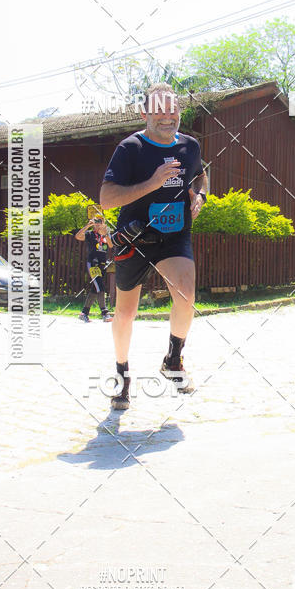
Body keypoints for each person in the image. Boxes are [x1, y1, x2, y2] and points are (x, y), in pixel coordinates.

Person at [99, 82, 208, 410]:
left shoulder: (190, 146)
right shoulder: (130, 148)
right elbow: (106, 200)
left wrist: (200, 194)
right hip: (135, 239)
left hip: (174, 237)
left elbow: (200, 175)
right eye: (159, 109)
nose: (168, 116)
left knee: (186, 296)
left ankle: (173, 361)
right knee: (125, 313)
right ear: (145, 113)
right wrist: (154, 182)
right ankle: (122, 375)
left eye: (173, 108)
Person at [75, 216, 114, 323]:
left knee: (94, 290)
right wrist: (87, 226)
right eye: (96, 222)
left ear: (103, 223)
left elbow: (110, 245)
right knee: (100, 287)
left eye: (100, 222)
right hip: (93, 264)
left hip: (102, 265)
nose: (97, 224)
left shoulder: (106, 235)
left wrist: (105, 233)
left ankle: (84, 313)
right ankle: (105, 313)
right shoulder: (90, 234)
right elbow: (78, 236)